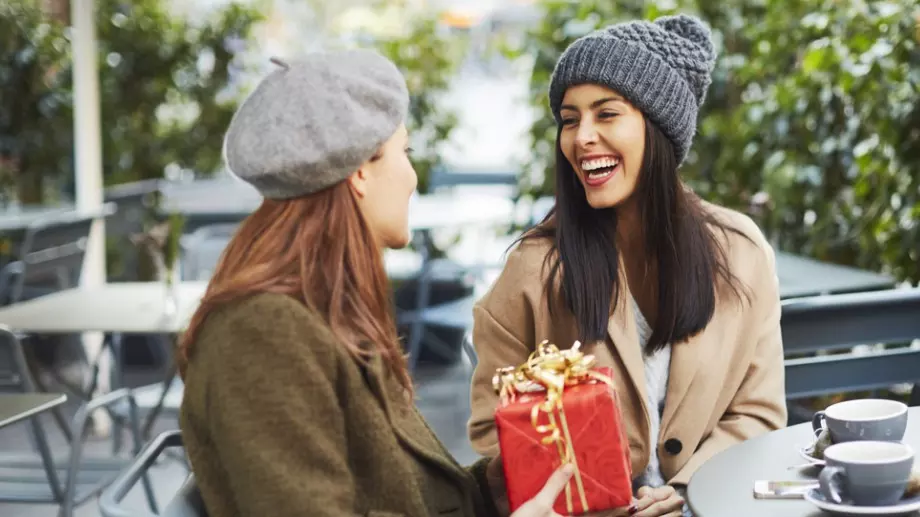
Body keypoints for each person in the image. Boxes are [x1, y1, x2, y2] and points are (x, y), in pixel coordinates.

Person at [176, 49, 582, 517]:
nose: (411, 177)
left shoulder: (322, 311)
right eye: (404, 152)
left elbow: (396, 493)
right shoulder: (261, 332)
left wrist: (494, 489)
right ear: (362, 171)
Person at [467, 14, 787, 517]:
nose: (582, 137)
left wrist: (686, 491)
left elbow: (757, 413)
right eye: (570, 120)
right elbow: (493, 434)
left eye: (606, 114)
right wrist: (585, 498)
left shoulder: (740, 253)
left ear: (658, 130)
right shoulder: (533, 270)